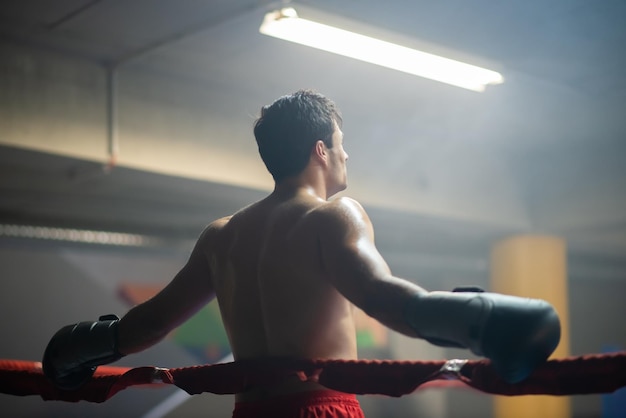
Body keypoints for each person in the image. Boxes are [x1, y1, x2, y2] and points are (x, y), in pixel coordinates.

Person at [43, 90, 561, 418]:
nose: (346, 154)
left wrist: (76, 349)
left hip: (250, 411)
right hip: (321, 406)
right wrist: (489, 322)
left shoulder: (221, 234)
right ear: (321, 149)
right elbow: (383, 299)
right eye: (340, 142)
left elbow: (149, 325)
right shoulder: (334, 215)